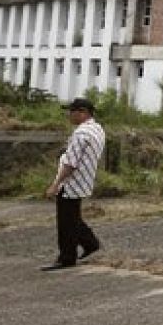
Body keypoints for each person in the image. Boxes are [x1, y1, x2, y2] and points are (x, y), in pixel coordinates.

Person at [41, 97, 105, 271]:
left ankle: (67, 256)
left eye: (72, 111)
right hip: (84, 179)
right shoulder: (97, 129)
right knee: (73, 217)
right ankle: (90, 243)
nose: (69, 115)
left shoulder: (81, 134)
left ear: (82, 112)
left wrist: (56, 184)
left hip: (71, 181)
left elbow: (71, 163)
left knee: (66, 221)